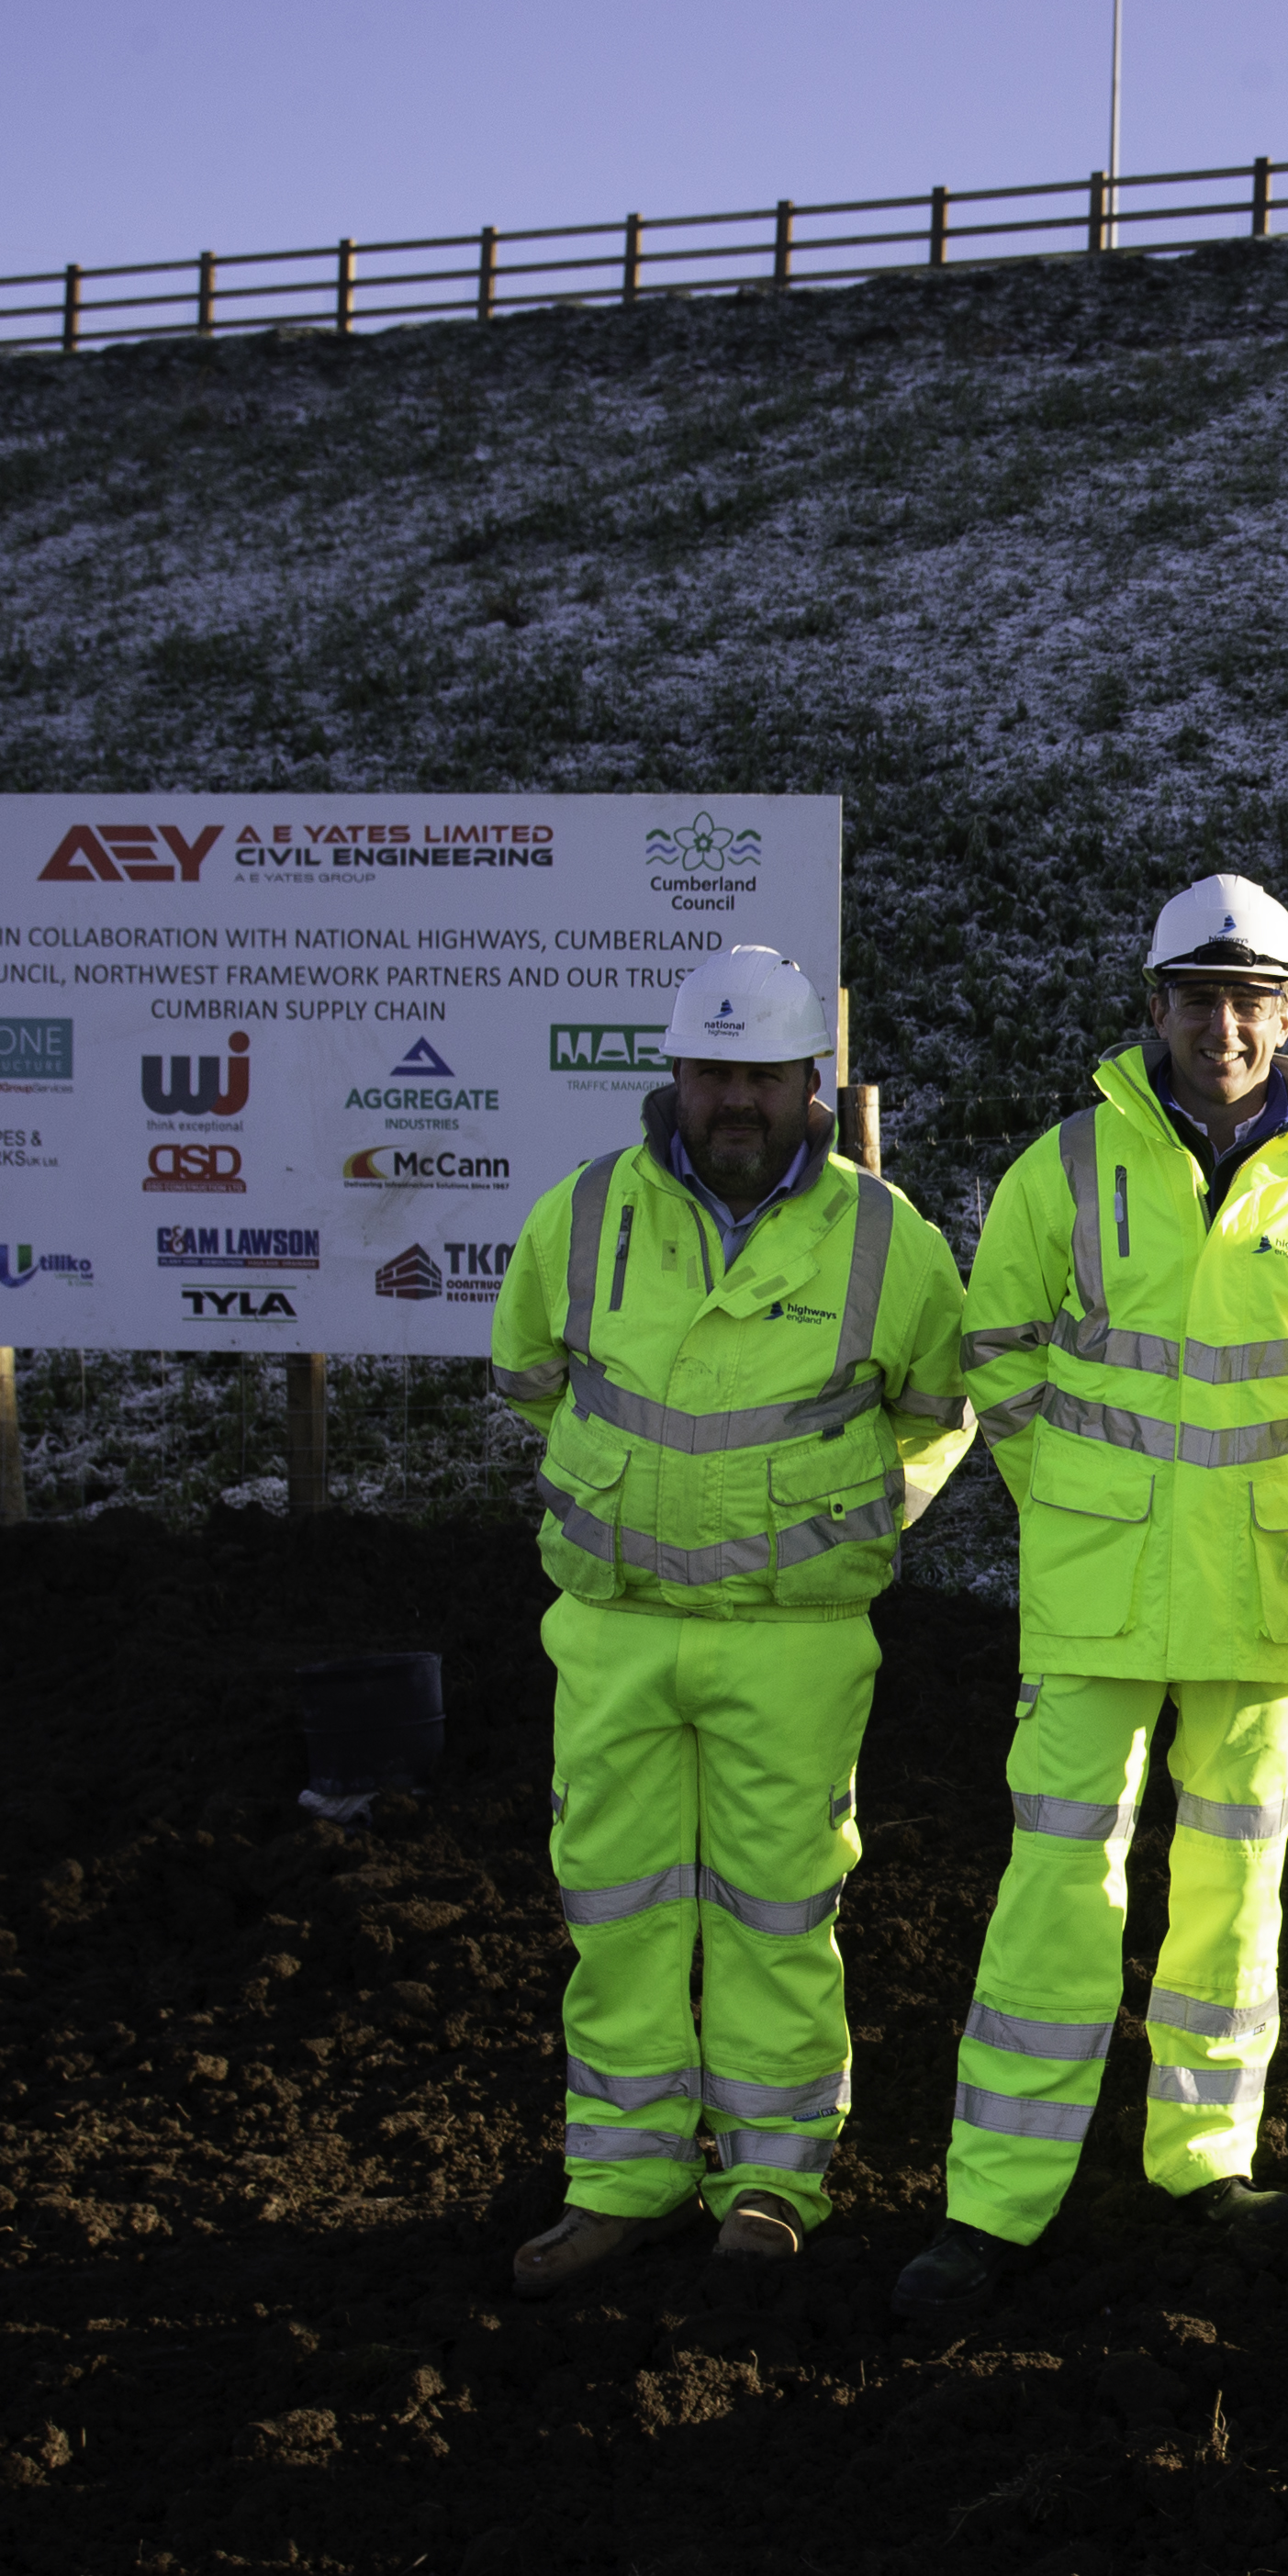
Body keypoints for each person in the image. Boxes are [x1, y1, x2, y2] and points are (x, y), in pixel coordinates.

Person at [890, 877, 1288, 2327]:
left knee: (1235, 1896)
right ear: (1154, 1009)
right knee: (1057, 1890)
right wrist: (1082, 1505)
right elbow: (1001, 1350)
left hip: (1264, 1591)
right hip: (1100, 1596)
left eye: (1253, 1000)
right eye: (1199, 997)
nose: (1225, 1026)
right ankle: (995, 2202)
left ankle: (1203, 2164)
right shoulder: (1067, 1167)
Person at [488, 945, 972, 2298]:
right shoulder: (584, 1217)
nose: (736, 1101)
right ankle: (620, 2185)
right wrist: (625, 1502)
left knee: (777, 1910)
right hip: (615, 1627)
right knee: (620, 1910)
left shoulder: (887, 1238)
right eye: (714, 1073)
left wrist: (851, 1522)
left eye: (763, 1074)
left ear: (810, 1083)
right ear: (676, 1076)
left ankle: (771, 2185)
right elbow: (530, 1376)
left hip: (796, 1637)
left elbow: (939, 1411)